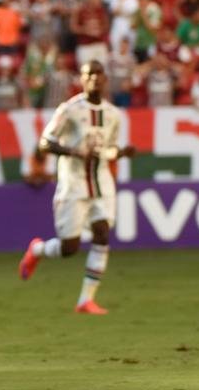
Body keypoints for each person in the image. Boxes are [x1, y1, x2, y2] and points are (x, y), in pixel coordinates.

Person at [19, 60, 135, 315]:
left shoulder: (114, 114)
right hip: (73, 184)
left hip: (101, 182)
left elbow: (109, 150)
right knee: (69, 248)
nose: (94, 78)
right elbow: (45, 142)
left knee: (102, 234)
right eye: (88, 74)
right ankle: (37, 249)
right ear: (81, 80)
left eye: (98, 73)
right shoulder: (69, 110)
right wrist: (72, 150)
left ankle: (86, 300)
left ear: (105, 78)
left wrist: (122, 153)